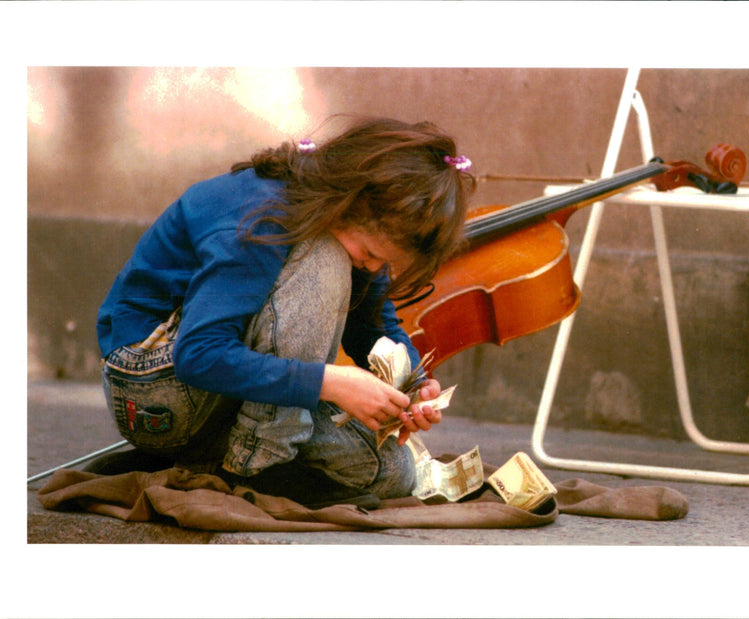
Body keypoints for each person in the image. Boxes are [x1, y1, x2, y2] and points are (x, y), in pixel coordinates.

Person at [95, 116, 475, 508]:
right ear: (349, 204)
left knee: (395, 471)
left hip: (227, 397)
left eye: (385, 263)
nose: (373, 268)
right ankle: (261, 464)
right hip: (150, 384)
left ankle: (203, 458)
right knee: (326, 257)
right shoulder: (264, 219)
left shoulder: (345, 225)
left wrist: (411, 386)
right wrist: (327, 383)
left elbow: (373, 326)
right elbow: (198, 354)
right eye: (369, 254)